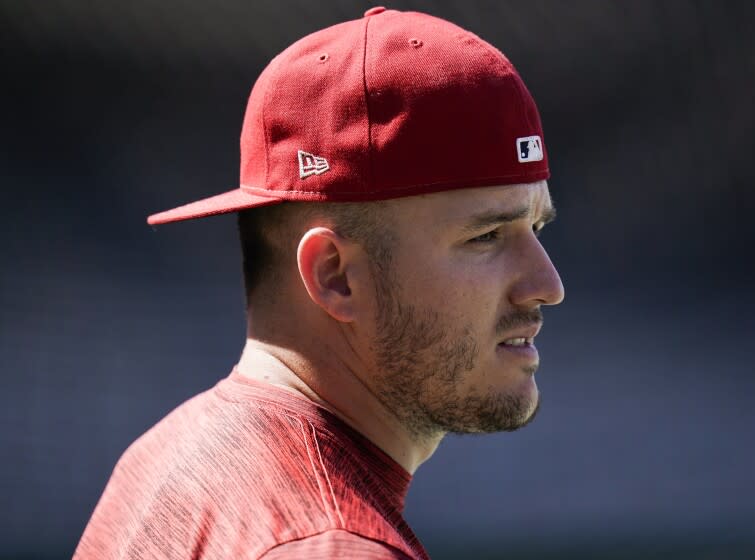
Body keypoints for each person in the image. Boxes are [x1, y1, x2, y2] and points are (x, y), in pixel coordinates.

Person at [74, 6, 563, 559]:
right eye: (486, 236)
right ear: (335, 276)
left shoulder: (167, 458)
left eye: (536, 226)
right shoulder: (332, 545)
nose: (547, 285)